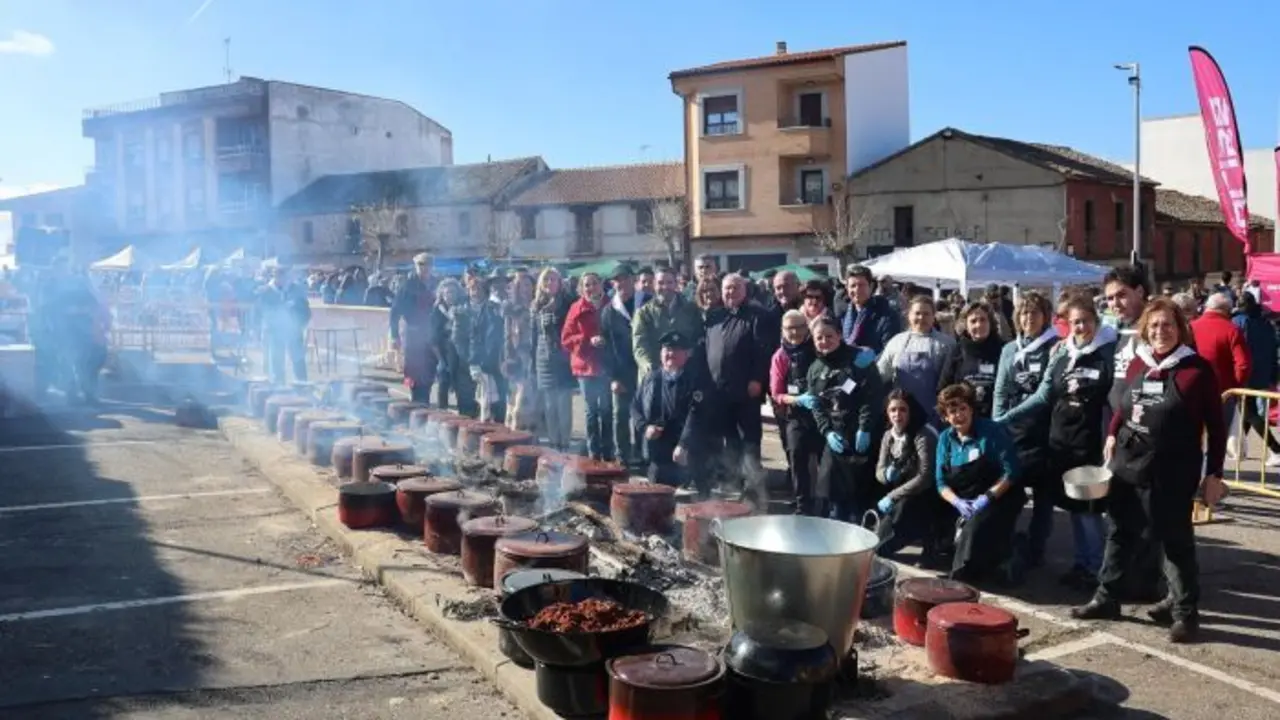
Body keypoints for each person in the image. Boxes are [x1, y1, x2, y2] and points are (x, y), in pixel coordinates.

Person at [1073, 298, 1226, 643]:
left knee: (1175, 541)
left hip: (1172, 471)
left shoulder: (1197, 370)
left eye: (1168, 325)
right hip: (1128, 465)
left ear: (1181, 329)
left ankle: (1185, 613)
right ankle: (1107, 597)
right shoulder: (1137, 365)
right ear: (1145, 329)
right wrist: (1112, 434)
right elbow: (1123, 406)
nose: (1160, 331)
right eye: (1154, 325)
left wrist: (1214, 473)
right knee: (1120, 533)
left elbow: (1216, 427)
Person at [997, 294, 1117, 590]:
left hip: (1092, 441)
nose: (1080, 327)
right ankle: (1083, 564)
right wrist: (1005, 419)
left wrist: (1113, 433)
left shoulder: (1108, 353)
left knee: (1089, 510)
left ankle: (1097, 569)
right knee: (1074, 508)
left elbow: (1117, 400)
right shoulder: (1062, 353)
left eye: (1085, 321)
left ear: (1096, 321)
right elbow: (1043, 396)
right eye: (1075, 322)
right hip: (1062, 441)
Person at [993, 290, 1061, 567]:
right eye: (1023, 313)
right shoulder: (1009, 349)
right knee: (1010, 489)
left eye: (1034, 312)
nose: (1028, 318)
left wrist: (1006, 417)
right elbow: (1001, 389)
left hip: (1044, 430)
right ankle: (1005, 542)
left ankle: (1036, 548)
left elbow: (1045, 394)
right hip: (1013, 431)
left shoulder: (1055, 346)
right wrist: (998, 422)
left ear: (1045, 316)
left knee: (1044, 498)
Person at [935, 382, 1026, 584]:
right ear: (945, 416)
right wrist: (957, 502)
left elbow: (1011, 472)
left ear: (971, 409)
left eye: (962, 409)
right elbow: (940, 482)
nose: (959, 415)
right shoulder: (945, 439)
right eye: (952, 411)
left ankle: (959, 578)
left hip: (998, 496)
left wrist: (985, 499)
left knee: (973, 532)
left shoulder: (991, 431)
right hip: (963, 497)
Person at [794, 315, 883, 521]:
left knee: (856, 500)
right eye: (819, 338)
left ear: (840, 335)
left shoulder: (858, 360)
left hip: (859, 435)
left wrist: (865, 427)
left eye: (829, 336)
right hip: (835, 438)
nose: (824, 341)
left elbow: (872, 396)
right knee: (831, 497)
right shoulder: (814, 368)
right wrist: (827, 432)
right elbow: (817, 405)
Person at [704, 273, 772, 503]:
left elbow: (763, 351)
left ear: (745, 290)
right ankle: (733, 484)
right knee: (729, 440)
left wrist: (757, 379)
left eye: (735, 288)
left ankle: (754, 489)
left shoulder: (758, 315)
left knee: (750, 440)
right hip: (720, 391)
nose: (730, 293)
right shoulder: (715, 316)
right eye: (726, 289)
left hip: (746, 390)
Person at [632, 331, 714, 494]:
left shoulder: (695, 380)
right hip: (659, 450)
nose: (671, 354)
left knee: (702, 500)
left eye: (677, 350)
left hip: (688, 449)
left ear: (686, 354)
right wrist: (644, 427)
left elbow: (696, 415)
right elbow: (635, 406)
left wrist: (683, 445)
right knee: (656, 497)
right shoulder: (651, 378)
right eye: (667, 350)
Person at [873, 390, 940, 559]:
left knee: (904, 513)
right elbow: (879, 470)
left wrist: (892, 496)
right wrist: (886, 475)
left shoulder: (923, 434)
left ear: (911, 411)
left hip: (927, 492)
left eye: (903, 409)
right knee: (878, 547)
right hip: (901, 491)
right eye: (893, 410)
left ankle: (931, 542)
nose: (897, 415)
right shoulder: (889, 435)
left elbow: (925, 476)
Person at [770, 309, 822, 514]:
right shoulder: (780, 357)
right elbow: (776, 393)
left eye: (799, 327)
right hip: (796, 415)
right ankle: (803, 505)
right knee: (797, 455)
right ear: (782, 330)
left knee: (825, 461)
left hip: (822, 414)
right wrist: (797, 400)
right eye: (789, 328)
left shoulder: (818, 348)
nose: (794, 332)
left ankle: (826, 504)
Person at [877, 296, 955, 427]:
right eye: (917, 313)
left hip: (934, 415)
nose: (921, 318)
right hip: (900, 415)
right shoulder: (897, 341)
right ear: (909, 315)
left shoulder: (946, 344)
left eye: (926, 314)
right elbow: (882, 374)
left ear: (933, 316)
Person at [562, 272, 614, 461]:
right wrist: (587, 340)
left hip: (607, 365)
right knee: (591, 411)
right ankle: (593, 453)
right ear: (581, 289)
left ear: (601, 284)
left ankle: (608, 452)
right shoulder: (576, 308)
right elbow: (566, 339)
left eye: (594, 283)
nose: (591, 288)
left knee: (607, 410)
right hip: (585, 366)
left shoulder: (612, 305)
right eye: (587, 285)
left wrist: (605, 340)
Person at [600, 264, 642, 467]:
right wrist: (612, 378)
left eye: (624, 278)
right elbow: (605, 349)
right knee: (620, 416)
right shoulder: (609, 311)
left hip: (644, 371)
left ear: (632, 279)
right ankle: (623, 457)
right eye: (616, 280)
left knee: (643, 417)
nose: (621, 283)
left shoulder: (645, 303)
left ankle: (644, 456)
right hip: (621, 372)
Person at [1231, 292, 1280, 463]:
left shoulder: (1239, 322)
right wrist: (1273, 377)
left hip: (1245, 374)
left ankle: (1276, 449)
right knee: (1247, 412)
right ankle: (1238, 449)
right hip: (1263, 374)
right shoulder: (1266, 323)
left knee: (1249, 412)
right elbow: (1274, 350)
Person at [1190, 293, 1250, 429]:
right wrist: (1235, 388)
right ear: (1227, 310)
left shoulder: (1190, 327)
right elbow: (1243, 365)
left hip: (1193, 392)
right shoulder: (1232, 329)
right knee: (1219, 439)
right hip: (1223, 394)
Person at [530, 268, 575, 450]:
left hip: (563, 358)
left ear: (560, 282)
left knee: (564, 404)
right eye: (546, 279)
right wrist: (533, 363)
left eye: (553, 279)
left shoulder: (567, 303)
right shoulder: (536, 305)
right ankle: (553, 442)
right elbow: (534, 336)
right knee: (549, 406)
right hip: (543, 358)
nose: (550, 283)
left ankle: (564, 442)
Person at [632, 268, 704, 379]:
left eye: (669, 283)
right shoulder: (643, 313)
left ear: (676, 284)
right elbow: (640, 344)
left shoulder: (691, 309)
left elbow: (699, 337)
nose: (665, 287)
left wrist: (688, 357)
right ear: (654, 285)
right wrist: (648, 365)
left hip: (685, 373)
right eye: (660, 283)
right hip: (654, 375)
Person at [938, 302, 1005, 419]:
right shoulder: (957, 351)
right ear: (965, 325)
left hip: (996, 420)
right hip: (963, 421)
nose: (979, 325)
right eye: (973, 321)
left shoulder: (1004, 350)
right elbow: (944, 388)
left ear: (991, 323)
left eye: (983, 320)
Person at [390, 254, 439, 403]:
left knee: (430, 368)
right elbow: (395, 312)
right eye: (421, 265)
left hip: (431, 334)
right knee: (411, 370)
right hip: (412, 334)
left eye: (428, 265)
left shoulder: (437, 284)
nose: (425, 268)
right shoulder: (407, 286)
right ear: (416, 266)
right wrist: (394, 336)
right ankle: (414, 396)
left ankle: (425, 398)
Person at [257, 265, 310, 385]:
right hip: (275, 330)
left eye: (286, 276)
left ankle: (302, 383)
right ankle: (278, 384)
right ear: (275, 277)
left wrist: (300, 323)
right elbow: (262, 311)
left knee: (298, 358)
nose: (284, 279)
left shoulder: (296, 290)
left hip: (294, 330)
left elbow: (305, 310)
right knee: (277, 358)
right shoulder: (266, 291)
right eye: (281, 276)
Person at [431, 278, 477, 416]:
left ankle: (466, 413)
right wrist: (440, 360)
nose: (450, 295)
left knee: (463, 385)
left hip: (461, 353)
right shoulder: (437, 311)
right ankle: (441, 413)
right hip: (443, 352)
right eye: (447, 293)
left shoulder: (463, 308)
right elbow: (433, 338)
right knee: (443, 382)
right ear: (442, 295)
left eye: (452, 292)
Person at [470, 272, 509, 423]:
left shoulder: (511, 305)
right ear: (491, 287)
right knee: (491, 404)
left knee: (508, 402)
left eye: (502, 282)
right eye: (496, 283)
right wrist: (474, 362)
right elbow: (476, 336)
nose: (499, 286)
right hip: (490, 363)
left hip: (510, 362)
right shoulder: (485, 308)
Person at [841, 265, 902, 355]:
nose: (857, 289)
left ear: (871, 286)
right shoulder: (843, 315)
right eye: (853, 286)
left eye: (861, 285)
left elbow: (889, 352)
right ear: (847, 288)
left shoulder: (887, 315)